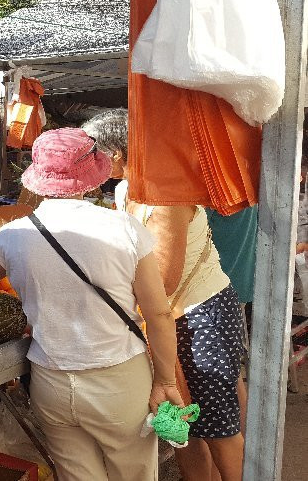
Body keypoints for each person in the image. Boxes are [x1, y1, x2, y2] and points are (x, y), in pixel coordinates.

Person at [0, 128, 182, 481]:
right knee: (134, 474)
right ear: (93, 178)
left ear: (38, 180)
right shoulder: (123, 228)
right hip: (119, 382)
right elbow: (158, 313)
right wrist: (165, 381)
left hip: (51, 383)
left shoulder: (12, 235)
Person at [83, 109, 246, 481]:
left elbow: (164, 279)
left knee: (218, 428)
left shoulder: (166, 193)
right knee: (183, 427)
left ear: (117, 154)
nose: (91, 165)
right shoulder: (126, 188)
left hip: (201, 314)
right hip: (163, 316)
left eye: (94, 155)